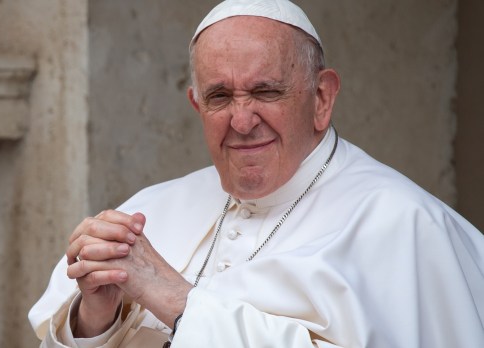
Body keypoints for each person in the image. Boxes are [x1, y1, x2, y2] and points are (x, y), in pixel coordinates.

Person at [29, 0, 484, 347]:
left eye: (265, 91)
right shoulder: (150, 209)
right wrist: (97, 316)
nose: (242, 121)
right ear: (196, 105)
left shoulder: (409, 226)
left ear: (321, 98)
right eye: (220, 97)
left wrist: (172, 297)